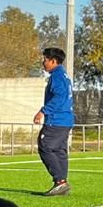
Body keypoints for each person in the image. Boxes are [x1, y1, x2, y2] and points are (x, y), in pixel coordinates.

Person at [34, 46, 73, 196]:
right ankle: (61, 183)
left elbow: (59, 97)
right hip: (65, 120)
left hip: (56, 120)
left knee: (45, 146)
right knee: (59, 151)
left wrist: (43, 111)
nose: (43, 63)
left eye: (45, 59)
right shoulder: (64, 75)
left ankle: (60, 181)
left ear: (53, 61)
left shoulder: (57, 76)